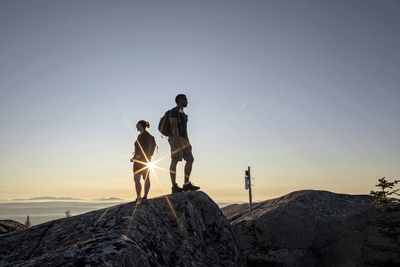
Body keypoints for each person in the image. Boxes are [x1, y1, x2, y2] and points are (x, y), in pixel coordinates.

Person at [169, 94, 200, 193]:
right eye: (185, 100)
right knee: (175, 160)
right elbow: (174, 127)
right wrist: (177, 141)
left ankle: (186, 184)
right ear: (179, 100)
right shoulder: (173, 111)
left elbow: (185, 129)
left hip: (184, 139)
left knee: (190, 159)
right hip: (175, 138)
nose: (187, 101)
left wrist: (188, 142)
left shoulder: (183, 114)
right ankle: (174, 186)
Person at [130, 120, 156, 201]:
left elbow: (141, 150)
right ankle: (144, 196)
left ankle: (139, 196)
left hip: (140, 160)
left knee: (138, 179)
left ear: (140, 125)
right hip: (146, 160)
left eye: (137, 125)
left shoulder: (143, 136)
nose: (136, 126)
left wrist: (135, 158)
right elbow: (152, 149)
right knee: (145, 178)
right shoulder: (146, 136)